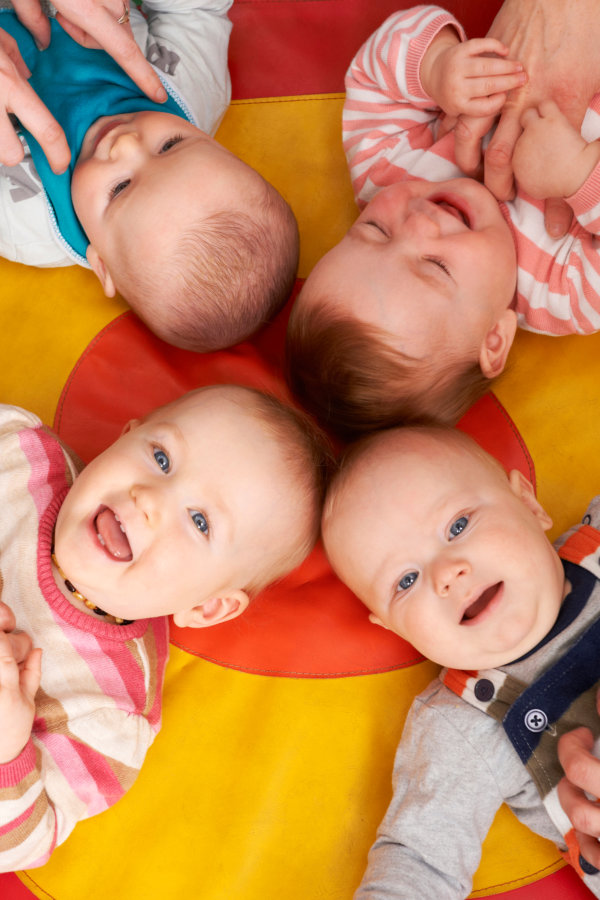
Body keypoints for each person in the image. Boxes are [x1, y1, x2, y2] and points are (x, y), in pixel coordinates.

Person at [0, 383, 332, 872]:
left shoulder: (108, 716)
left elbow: (22, 847)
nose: (149, 497)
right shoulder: (20, 454)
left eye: (199, 521)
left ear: (209, 607)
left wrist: (8, 746)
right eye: (160, 457)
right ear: (125, 436)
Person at [286, 4, 600, 440]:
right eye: (435, 266)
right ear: (493, 339)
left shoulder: (388, 172)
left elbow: (372, 78)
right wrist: (582, 177)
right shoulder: (562, 293)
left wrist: (436, 67)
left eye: (374, 230)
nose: (417, 223)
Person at [321, 425, 600, 898]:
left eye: (458, 526)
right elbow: (419, 862)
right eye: (406, 581)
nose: (447, 575)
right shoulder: (457, 729)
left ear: (529, 505)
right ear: (393, 627)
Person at [0, 3, 299, 352]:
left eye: (120, 188)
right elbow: (197, 10)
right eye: (171, 145)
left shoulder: (25, 226)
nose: (126, 144)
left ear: (103, 265)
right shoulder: (196, 87)